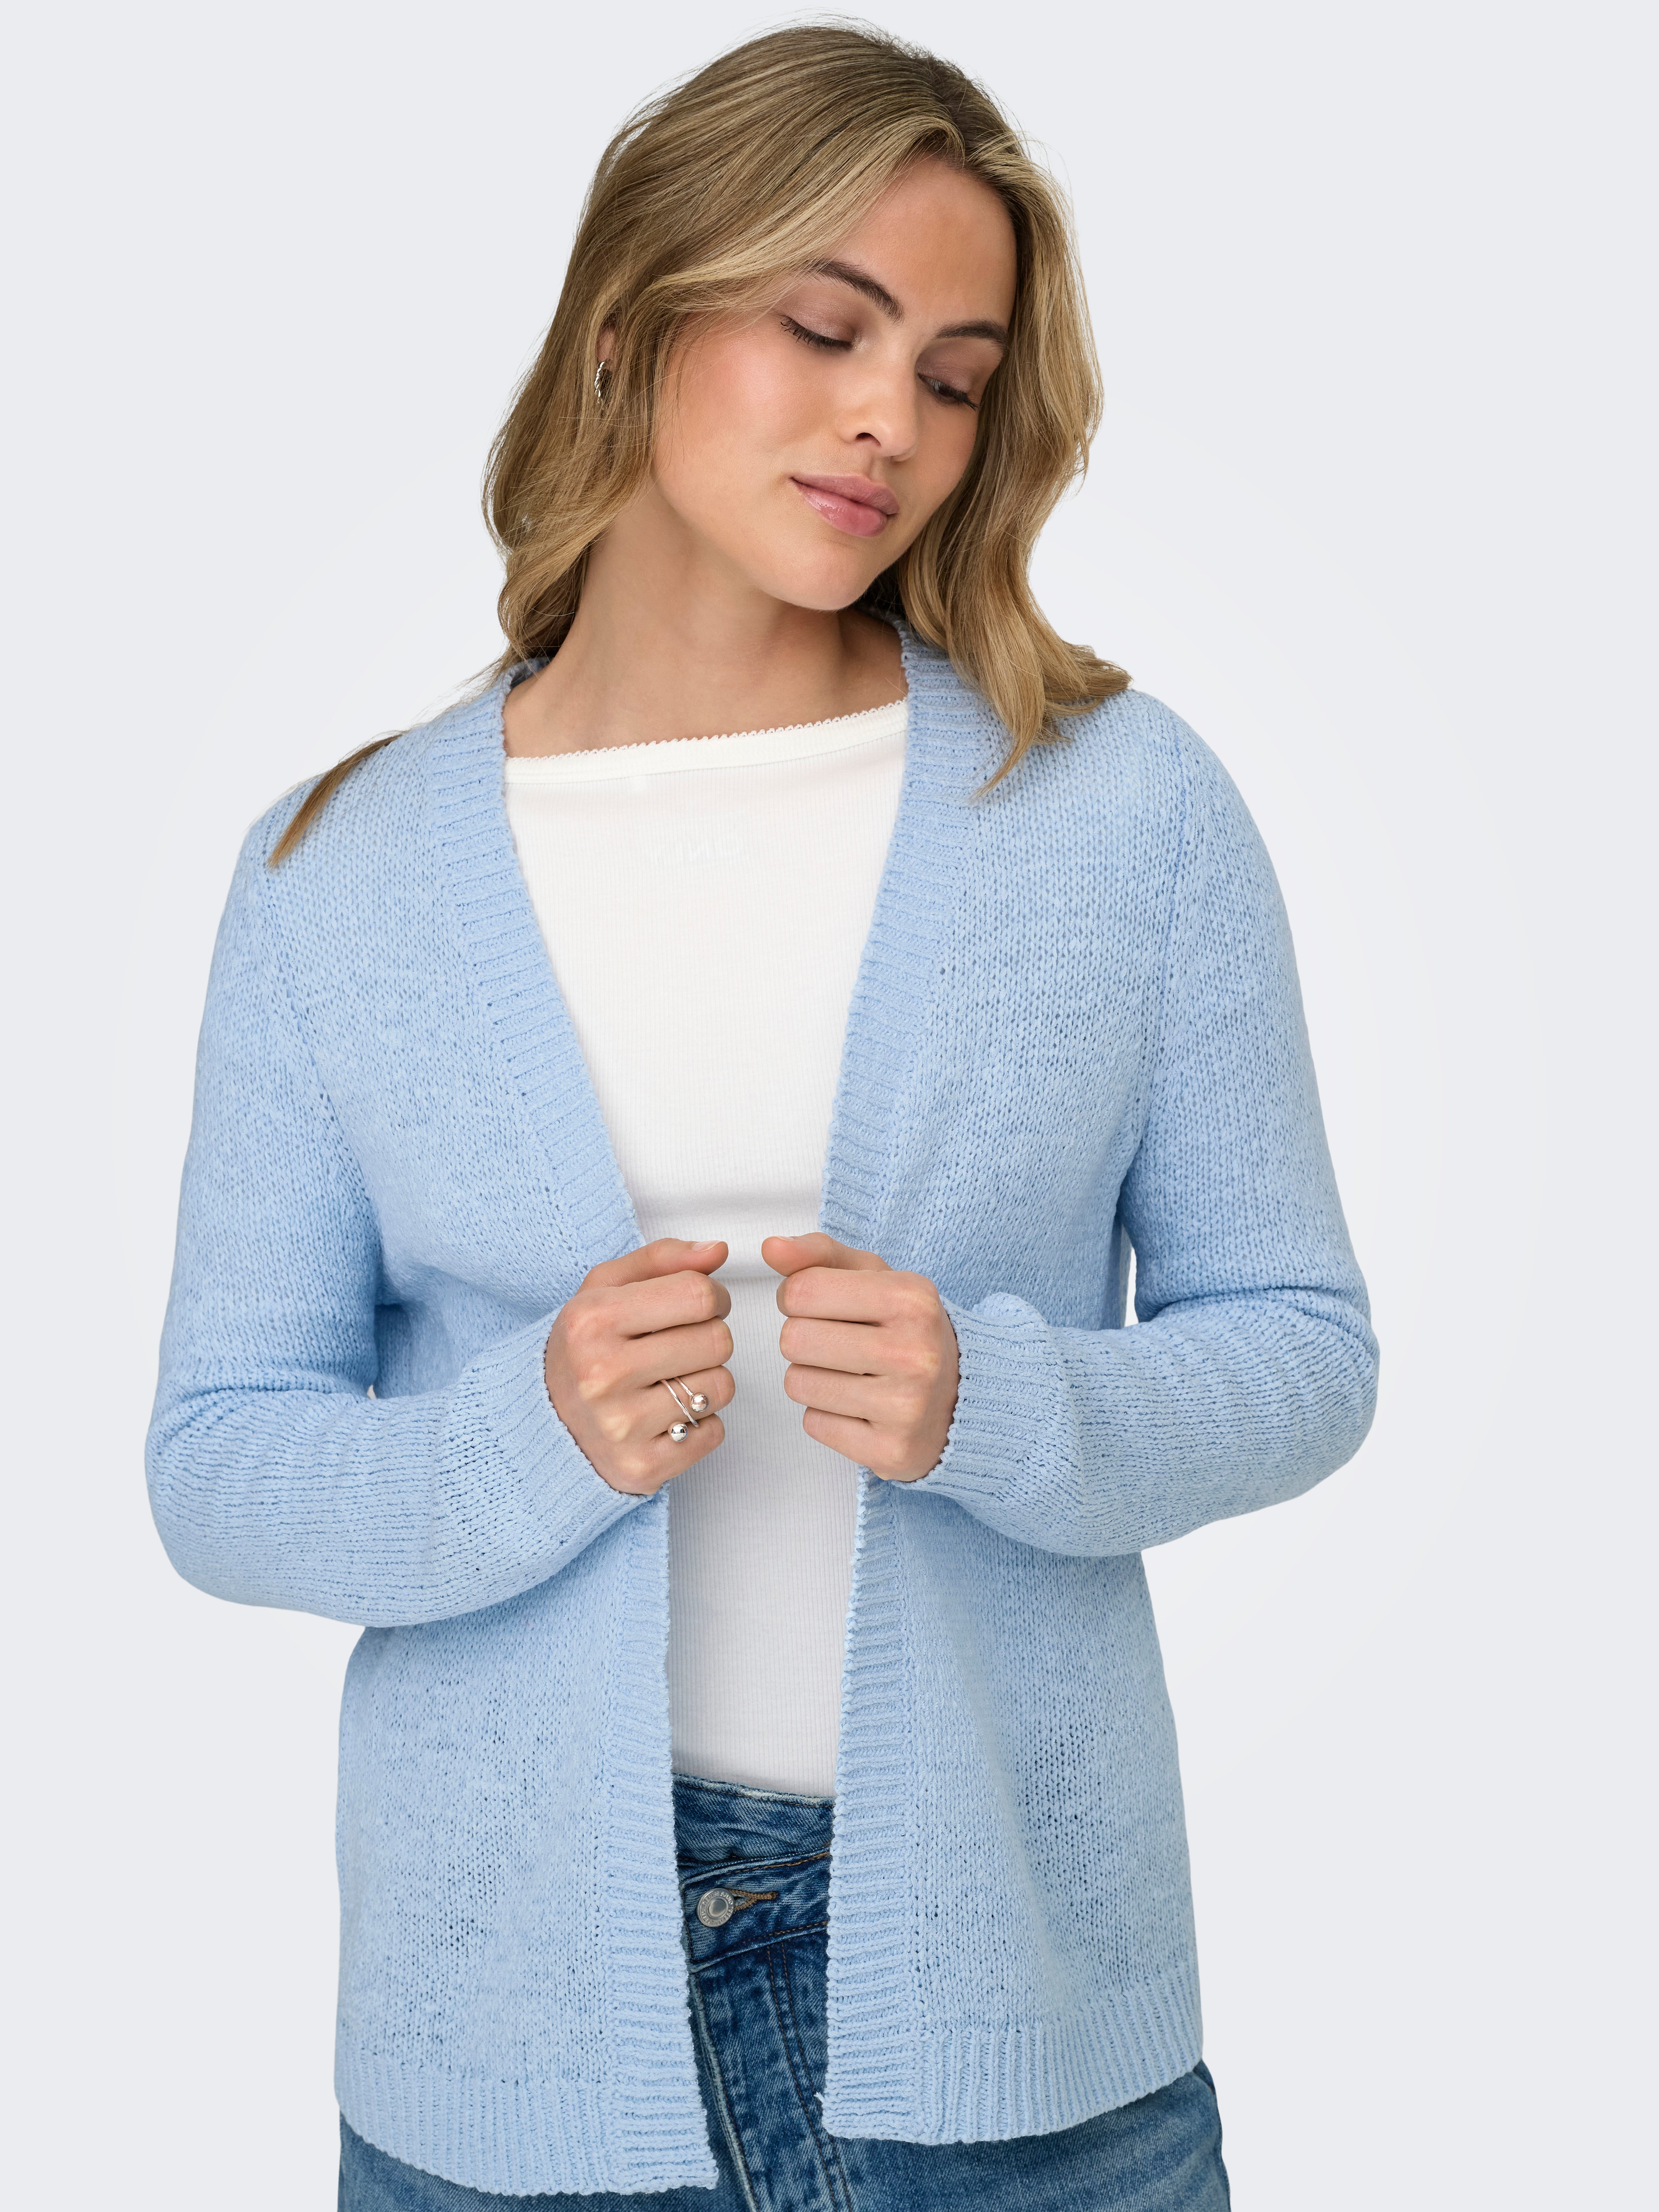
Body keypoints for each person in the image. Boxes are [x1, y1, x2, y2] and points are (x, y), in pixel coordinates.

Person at [146, 23, 1378, 2210]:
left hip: (1018, 2029)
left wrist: (1003, 1402)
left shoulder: (1116, 809)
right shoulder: (336, 876)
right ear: (627, 330)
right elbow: (221, 1461)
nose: (891, 417)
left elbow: (1298, 1347)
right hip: (511, 2034)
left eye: (955, 375)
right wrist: (520, 1438)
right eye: (826, 328)